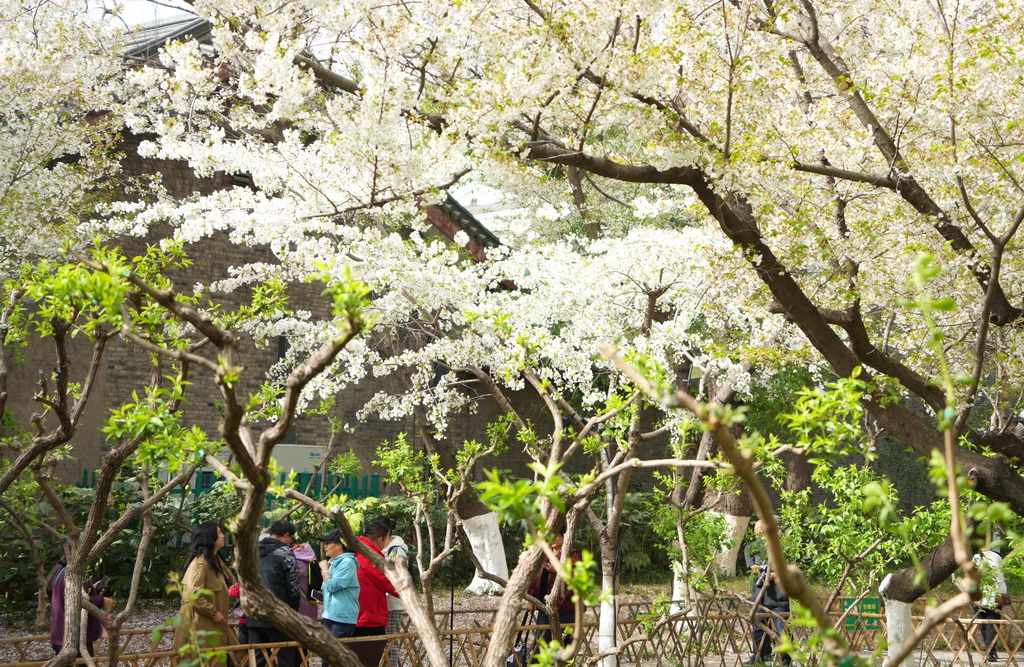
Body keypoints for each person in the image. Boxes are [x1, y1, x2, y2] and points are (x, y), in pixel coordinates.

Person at [171, 522, 239, 666]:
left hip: (213, 625)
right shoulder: (200, 563)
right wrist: (213, 612)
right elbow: (193, 595)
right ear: (210, 537)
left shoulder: (215, 561)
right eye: (219, 532)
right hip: (202, 624)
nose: (222, 536)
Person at [246, 520, 302, 667]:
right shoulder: (285, 552)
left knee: (259, 658)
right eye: (291, 538)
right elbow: (294, 586)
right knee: (285, 655)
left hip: (253, 613)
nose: (291, 542)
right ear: (286, 535)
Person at [743, 519, 790, 666]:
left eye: (762, 530)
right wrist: (761, 572)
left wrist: (777, 574)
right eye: (758, 530)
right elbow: (752, 565)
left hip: (779, 596)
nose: (760, 533)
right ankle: (759, 656)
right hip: (760, 595)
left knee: (782, 629)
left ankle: (786, 660)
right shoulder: (751, 547)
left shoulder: (782, 547)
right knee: (758, 628)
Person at [49, 559, 115, 657]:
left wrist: (93, 591)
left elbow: (73, 595)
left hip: (60, 634)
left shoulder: (62, 570)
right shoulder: (74, 572)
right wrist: (101, 601)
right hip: (73, 637)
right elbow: (74, 600)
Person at [526, 534, 580, 653]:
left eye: (556, 535)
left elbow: (575, 575)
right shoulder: (544, 554)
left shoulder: (572, 555)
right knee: (540, 643)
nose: (552, 538)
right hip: (544, 606)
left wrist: (556, 569)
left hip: (565, 607)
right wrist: (531, 599)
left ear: (565, 537)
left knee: (563, 644)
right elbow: (535, 578)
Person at [318, 527, 360, 666]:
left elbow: (331, 585)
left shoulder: (347, 563)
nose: (325, 547)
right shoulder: (335, 562)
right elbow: (327, 587)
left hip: (342, 619)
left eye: (328, 543)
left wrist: (324, 570)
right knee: (326, 658)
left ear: (339, 545)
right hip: (330, 615)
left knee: (335, 660)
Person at [354, 520, 400, 636]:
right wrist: (408, 592)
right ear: (380, 540)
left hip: (358, 613)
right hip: (368, 617)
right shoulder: (369, 556)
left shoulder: (357, 550)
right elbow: (386, 581)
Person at [377, 516, 409, 665]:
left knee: (391, 644)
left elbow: (396, 577)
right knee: (381, 644)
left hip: (392, 604)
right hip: (380, 603)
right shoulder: (382, 548)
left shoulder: (397, 550)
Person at [973, 547, 1009, 662]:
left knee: (984, 623)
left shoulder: (974, 556)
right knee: (992, 623)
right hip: (993, 594)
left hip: (978, 594)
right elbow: (999, 576)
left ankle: (990, 650)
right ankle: (991, 651)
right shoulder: (996, 556)